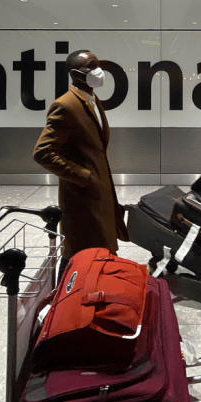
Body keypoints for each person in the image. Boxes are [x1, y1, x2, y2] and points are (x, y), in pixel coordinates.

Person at [33, 49, 128, 276]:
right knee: (78, 254)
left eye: (98, 63)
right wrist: (83, 176)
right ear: (76, 74)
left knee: (98, 252)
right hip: (81, 198)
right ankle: (62, 300)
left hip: (98, 195)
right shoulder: (66, 106)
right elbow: (43, 152)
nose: (99, 70)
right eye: (92, 65)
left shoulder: (92, 100)